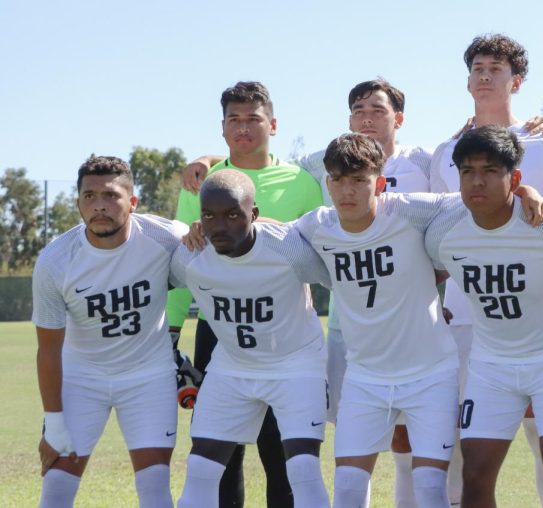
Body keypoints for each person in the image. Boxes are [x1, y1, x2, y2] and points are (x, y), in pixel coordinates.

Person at [181, 78, 434, 506]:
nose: (219, 222)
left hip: (300, 342)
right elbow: (177, 257)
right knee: (210, 465)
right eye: (359, 110)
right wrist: (209, 163)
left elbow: (329, 255)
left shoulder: (312, 178)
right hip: (227, 339)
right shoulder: (211, 192)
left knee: (296, 463)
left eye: (377, 110)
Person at [429, 34, 543, 506]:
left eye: (496, 68)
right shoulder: (444, 151)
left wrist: (530, 195)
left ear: (516, 81)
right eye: (477, 67)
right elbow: (444, 224)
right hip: (466, 313)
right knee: (465, 452)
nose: (484, 75)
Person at [166, 81, 323, 507]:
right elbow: (185, 259)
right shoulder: (200, 181)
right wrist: (172, 328)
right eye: (234, 120)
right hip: (220, 329)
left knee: (282, 453)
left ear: (272, 124)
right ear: (221, 128)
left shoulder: (301, 181)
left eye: (253, 118)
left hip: (285, 331)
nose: (243, 128)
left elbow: (319, 251)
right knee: (219, 455)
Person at [295, 133, 462, 508]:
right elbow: (265, 236)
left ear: (380, 183)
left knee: (432, 489)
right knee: (349, 492)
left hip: (430, 373)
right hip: (366, 377)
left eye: (359, 180)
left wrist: (527, 196)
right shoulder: (316, 226)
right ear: (327, 183)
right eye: (337, 179)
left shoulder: (407, 210)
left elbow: (472, 202)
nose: (346, 191)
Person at [32, 155, 188, 508]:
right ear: (78, 203)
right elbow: (48, 350)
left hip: (148, 376)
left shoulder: (165, 237)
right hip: (81, 378)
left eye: (111, 195)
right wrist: (54, 421)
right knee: (55, 491)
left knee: (155, 491)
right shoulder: (56, 261)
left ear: (132, 202)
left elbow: (228, 242)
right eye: (89, 196)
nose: (99, 206)